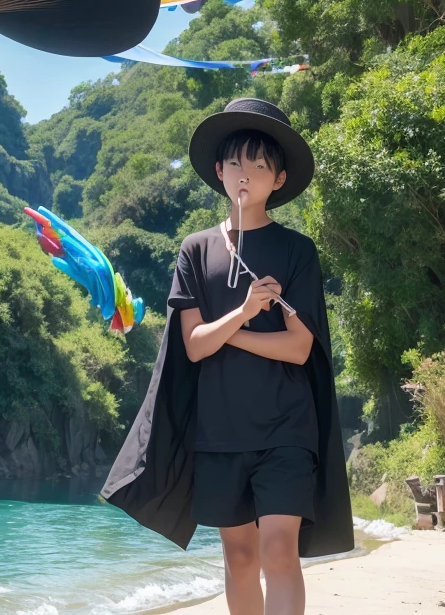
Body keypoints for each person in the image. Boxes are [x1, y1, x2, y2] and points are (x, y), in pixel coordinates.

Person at [101, 97, 353, 615]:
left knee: (279, 549)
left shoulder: (296, 250)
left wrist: (228, 332)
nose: (246, 174)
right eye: (236, 162)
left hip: (287, 429)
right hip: (219, 433)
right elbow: (193, 347)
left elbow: (299, 346)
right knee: (239, 558)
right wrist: (243, 313)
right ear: (218, 171)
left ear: (278, 179)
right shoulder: (196, 250)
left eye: (260, 165)